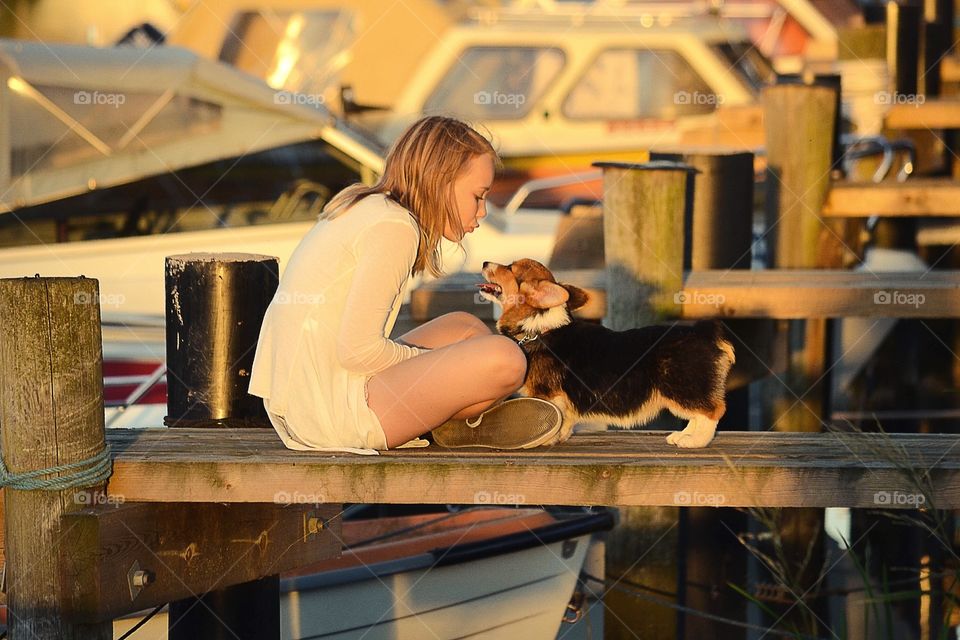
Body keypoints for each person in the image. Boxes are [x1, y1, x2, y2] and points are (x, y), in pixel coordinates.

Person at [249, 116, 562, 454]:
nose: (483, 211)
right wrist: (430, 363)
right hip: (335, 413)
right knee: (507, 359)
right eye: (478, 196)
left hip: (313, 400)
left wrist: (438, 363)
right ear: (440, 182)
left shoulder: (370, 205)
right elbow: (357, 352)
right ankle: (451, 418)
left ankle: (452, 423)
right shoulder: (395, 228)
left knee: (466, 327)